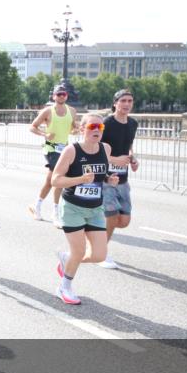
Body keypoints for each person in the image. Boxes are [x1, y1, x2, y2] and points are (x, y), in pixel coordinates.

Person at [51, 113, 119, 304]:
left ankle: (67, 258)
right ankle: (64, 287)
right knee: (79, 251)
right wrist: (79, 179)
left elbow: (101, 174)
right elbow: (55, 180)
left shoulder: (105, 148)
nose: (96, 130)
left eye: (100, 127)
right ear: (82, 129)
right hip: (73, 208)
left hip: (95, 209)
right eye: (92, 127)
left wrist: (109, 179)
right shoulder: (71, 151)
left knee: (100, 255)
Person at [99, 89, 140, 269]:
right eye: (123, 100)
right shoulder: (106, 123)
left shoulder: (133, 123)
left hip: (123, 179)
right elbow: (95, 148)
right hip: (107, 178)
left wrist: (132, 158)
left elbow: (129, 144)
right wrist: (115, 160)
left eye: (130, 101)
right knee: (112, 216)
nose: (127, 104)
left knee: (123, 221)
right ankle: (101, 253)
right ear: (115, 103)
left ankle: (94, 225)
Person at [28, 86, 76, 223]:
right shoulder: (48, 111)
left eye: (64, 94)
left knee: (50, 181)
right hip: (50, 147)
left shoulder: (72, 111)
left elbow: (73, 128)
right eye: (59, 94)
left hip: (65, 148)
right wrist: (45, 134)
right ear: (54, 96)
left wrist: (77, 130)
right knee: (59, 178)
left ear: (66, 96)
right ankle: (56, 213)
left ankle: (36, 206)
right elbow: (32, 127)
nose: (61, 96)